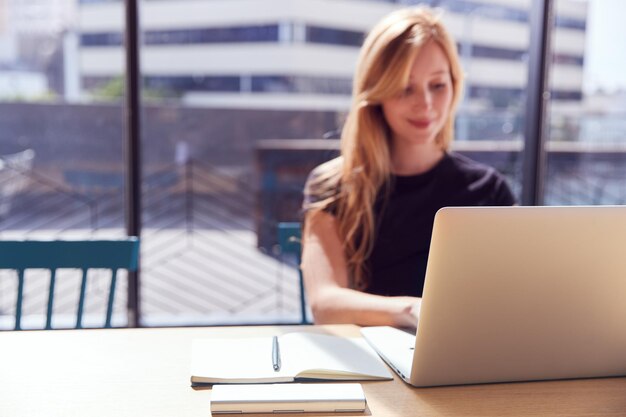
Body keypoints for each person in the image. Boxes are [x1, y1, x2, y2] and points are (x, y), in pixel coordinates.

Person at [300, 6, 515, 328]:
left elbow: (508, 298)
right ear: (378, 93)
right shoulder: (332, 186)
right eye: (405, 87)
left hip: (465, 360)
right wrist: (415, 312)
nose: (425, 103)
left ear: (455, 86)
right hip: (371, 366)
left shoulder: (489, 190)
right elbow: (326, 303)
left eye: (438, 85)